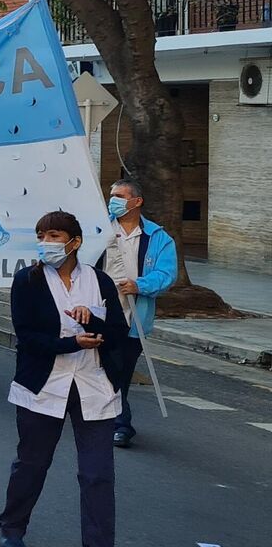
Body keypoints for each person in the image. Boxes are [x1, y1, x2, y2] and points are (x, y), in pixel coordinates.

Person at [0, 211, 131, 547]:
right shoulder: (27, 281)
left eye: (54, 235)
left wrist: (93, 323)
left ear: (75, 241)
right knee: (32, 465)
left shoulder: (99, 281)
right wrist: (71, 343)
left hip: (94, 386)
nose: (46, 242)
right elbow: (27, 338)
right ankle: (13, 529)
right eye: (41, 234)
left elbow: (118, 333)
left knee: (97, 474)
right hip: (43, 386)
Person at [96, 178, 176, 449]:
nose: (113, 200)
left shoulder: (158, 238)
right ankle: (118, 422)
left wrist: (139, 285)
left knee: (120, 370)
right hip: (98, 313)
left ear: (136, 201)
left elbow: (166, 275)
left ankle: (117, 421)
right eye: (111, 195)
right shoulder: (98, 229)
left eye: (119, 195)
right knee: (104, 367)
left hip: (133, 319)